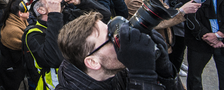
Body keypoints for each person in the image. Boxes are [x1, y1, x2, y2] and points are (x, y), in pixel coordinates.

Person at [55, 12, 184, 90]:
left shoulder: (115, 72)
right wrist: (142, 77)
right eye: (112, 38)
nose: (122, 39)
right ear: (93, 62)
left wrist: (164, 71)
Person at [122, 0, 201, 53]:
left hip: (163, 41)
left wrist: (178, 10)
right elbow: (154, 23)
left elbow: (165, 8)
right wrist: (182, 12)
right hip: (151, 46)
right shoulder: (133, 0)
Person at [177, 0, 224, 90]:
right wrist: (206, 35)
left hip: (222, 36)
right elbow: (188, 14)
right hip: (199, 40)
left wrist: (220, 34)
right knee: (195, 77)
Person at [159, 0, 190, 76]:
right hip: (170, 19)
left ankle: (177, 66)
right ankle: (174, 68)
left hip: (182, 22)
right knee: (173, 46)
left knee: (180, 47)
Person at [0, 0, 29, 90]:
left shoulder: (18, 20)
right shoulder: (13, 31)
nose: (28, 12)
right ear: (20, 13)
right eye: (26, 10)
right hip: (12, 73)